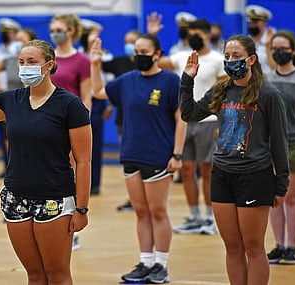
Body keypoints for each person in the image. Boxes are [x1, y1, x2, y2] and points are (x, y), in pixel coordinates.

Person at [0, 40, 92, 285]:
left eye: (32, 62)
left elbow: (84, 162)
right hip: (16, 198)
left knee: (57, 275)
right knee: (34, 275)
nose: (25, 67)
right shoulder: (11, 100)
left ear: (49, 66)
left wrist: (81, 209)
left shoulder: (71, 105)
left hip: (54, 198)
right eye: (22, 62)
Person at [180, 35, 289, 285]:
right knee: (232, 246)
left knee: (253, 247)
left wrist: (281, 184)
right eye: (227, 56)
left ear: (251, 59)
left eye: (237, 57)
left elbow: (279, 142)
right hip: (222, 175)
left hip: (255, 176)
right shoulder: (221, 90)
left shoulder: (268, 94)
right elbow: (188, 114)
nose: (231, 61)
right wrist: (188, 79)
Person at [90, 34, 186, 284]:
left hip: (159, 156)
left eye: (145, 51)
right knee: (141, 212)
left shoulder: (170, 81)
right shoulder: (126, 81)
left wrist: (177, 153)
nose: (139, 55)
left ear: (157, 54)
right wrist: (95, 64)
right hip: (131, 154)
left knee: (157, 211)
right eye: (137, 51)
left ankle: (161, 265)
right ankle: (145, 262)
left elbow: (181, 119)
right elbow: (99, 91)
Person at [151, 17, 227, 235]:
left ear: (207, 34)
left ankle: (210, 217)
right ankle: (194, 216)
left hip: (209, 122)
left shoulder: (216, 59)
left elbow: (223, 94)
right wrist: (153, 35)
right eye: (190, 34)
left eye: (197, 34)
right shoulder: (182, 55)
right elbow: (155, 61)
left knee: (207, 170)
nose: (193, 38)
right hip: (184, 121)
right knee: (186, 169)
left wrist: (221, 122)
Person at [50, 13, 92, 251]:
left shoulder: (81, 60)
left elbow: (86, 96)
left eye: (61, 29)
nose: (56, 32)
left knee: (72, 174)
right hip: (46, 125)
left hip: (70, 125)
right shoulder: (47, 58)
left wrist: (81, 124)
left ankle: (72, 223)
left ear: (71, 31)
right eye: (53, 28)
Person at [265, 30, 295, 265]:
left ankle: (292, 247)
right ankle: (278, 245)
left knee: (291, 197)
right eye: (275, 48)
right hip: (270, 145)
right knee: (274, 197)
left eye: (284, 48)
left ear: (293, 51)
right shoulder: (267, 79)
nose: (279, 52)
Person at [101, 29, 140, 212]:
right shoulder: (120, 62)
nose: (129, 45)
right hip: (123, 119)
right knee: (128, 158)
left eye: (132, 41)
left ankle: (144, 198)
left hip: (142, 119)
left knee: (143, 159)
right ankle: (133, 198)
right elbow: (107, 83)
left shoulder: (146, 65)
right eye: (127, 41)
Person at [79, 18, 111, 196]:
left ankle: (95, 183)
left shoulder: (104, 55)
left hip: (97, 102)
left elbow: (109, 80)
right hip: (78, 100)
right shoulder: (76, 54)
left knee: (95, 145)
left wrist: (110, 105)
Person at [0, 17, 22, 180]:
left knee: (15, 135)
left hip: (18, 93)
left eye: (8, 31)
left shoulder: (19, 49)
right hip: (3, 94)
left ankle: (18, 166)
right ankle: (7, 165)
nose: (5, 34)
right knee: (4, 136)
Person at [50, 13, 92, 111]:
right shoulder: (47, 57)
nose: (54, 34)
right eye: (52, 31)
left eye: (59, 30)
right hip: (46, 116)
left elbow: (86, 98)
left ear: (71, 31)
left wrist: (85, 121)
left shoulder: (83, 60)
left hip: (70, 116)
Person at [245, 4, 275, 72]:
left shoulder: (273, 41)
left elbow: (275, 67)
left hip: (269, 80)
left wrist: (268, 46)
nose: (252, 25)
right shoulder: (245, 42)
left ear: (264, 23)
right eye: (250, 22)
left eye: (255, 22)